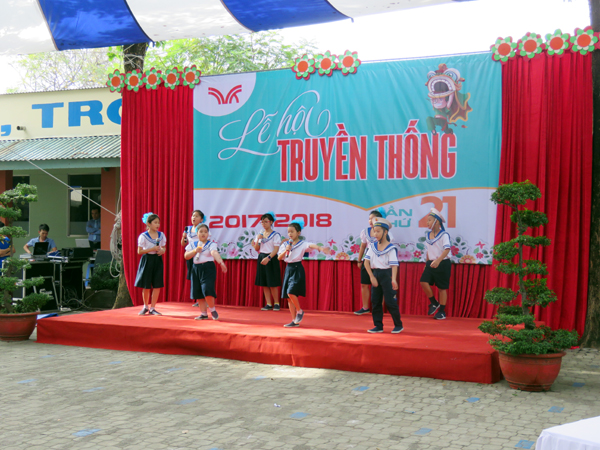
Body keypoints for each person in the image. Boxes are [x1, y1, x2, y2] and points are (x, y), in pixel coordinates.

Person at [277, 219, 330, 328]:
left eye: (292, 231)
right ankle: (294, 321)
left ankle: (300, 311)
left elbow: (312, 246)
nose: (290, 234)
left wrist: (320, 248)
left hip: (297, 268)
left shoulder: (302, 244)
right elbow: (279, 258)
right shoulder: (285, 244)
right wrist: (286, 249)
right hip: (288, 269)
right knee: (288, 298)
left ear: (298, 233)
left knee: (291, 292)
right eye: (288, 232)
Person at [363, 217, 404, 334]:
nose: (375, 234)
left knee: (390, 302)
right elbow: (366, 262)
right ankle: (378, 326)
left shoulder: (391, 248)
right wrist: (372, 277)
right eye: (374, 231)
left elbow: (394, 265)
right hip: (376, 274)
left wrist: (394, 280)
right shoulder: (372, 246)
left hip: (387, 275)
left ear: (385, 232)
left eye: (378, 231)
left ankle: (398, 325)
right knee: (375, 301)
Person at [355, 208, 394, 315]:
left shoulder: (386, 233)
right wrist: (359, 260)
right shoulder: (365, 232)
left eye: (372, 219)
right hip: (368, 259)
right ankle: (365, 308)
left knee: (380, 285)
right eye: (369, 219)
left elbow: (388, 248)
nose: (370, 221)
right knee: (364, 284)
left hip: (380, 260)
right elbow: (363, 246)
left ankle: (378, 309)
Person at [184, 223, 227, 320]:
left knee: (207, 289)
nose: (203, 234)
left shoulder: (211, 244)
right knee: (198, 291)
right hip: (196, 269)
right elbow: (186, 256)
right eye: (201, 232)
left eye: (205, 232)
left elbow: (214, 252)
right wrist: (195, 251)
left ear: (208, 233)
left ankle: (212, 310)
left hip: (208, 268)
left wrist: (221, 262)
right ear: (197, 233)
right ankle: (203, 314)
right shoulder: (192, 244)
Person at [420, 208, 451, 320]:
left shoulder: (444, 235)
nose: (427, 222)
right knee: (423, 282)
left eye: (429, 220)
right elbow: (428, 250)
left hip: (442, 263)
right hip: (431, 262)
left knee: (442, 288)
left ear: (436, 221)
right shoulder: (428, 235)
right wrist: (426, 263)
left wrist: (438, 260)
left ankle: (442, 311)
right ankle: (434, 302)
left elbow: (447, 249)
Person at [135, 212, 166, 316]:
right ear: (149, 224)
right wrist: (152, 249)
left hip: (157, 259)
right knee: (146, 284)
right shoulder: (143, 236)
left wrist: (162, 251)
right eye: (155, 222)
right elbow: (139, 251)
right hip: (147, 259)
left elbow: (164, 247)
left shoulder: (161, 235)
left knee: (157, 284)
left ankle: (153, 308)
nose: (157, 225)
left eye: (158, 223)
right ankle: (145, 306)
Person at [252, 212, 282, 311]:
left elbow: (276, 249)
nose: (263, 224)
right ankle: (268, 303)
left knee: (272, 283)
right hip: (261, 256)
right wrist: (258, 240)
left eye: (266, 222)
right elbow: (256, 248)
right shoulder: (260, 234)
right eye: (262, 222)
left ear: (271, 222)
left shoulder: (276, 235)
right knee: (264, 283)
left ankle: (276, 303)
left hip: (271, 258)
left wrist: (268, 258)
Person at [181, 210, 203, 309]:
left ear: (201, 219)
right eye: (193, 216)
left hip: (200, 254)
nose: (194, 218)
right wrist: (183, 237)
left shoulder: (202, 229)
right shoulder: (188, 229)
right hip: (190, 254)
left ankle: (204, 299)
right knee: (194, 276)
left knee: (201, 276)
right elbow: (183, 244)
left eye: (197, 216)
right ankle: (198, 299)